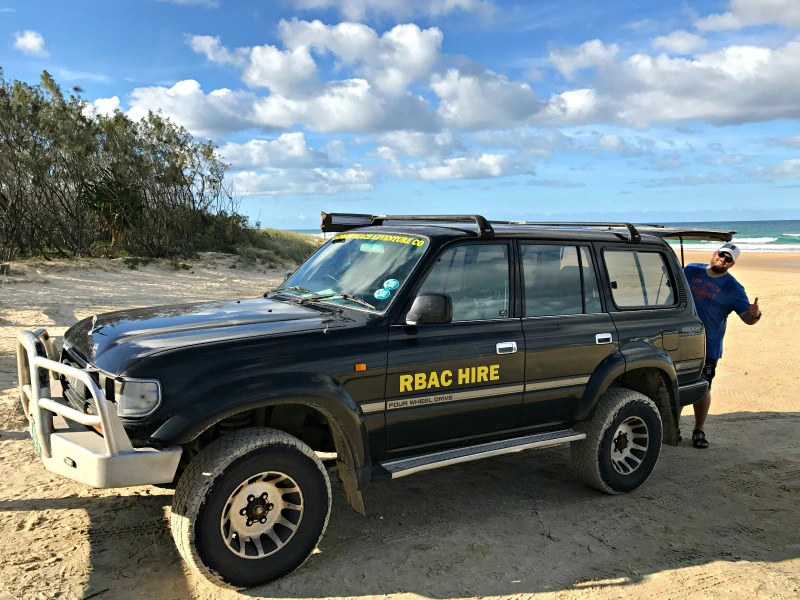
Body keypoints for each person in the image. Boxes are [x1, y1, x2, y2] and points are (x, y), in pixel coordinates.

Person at [684, 242, 762, 448]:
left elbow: (747, 318)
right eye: (722, 255)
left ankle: (698, 429)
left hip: (707, 346)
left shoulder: (734, 288)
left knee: (702, 387)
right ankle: (670, 424)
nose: (723, 260)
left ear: (732, 264)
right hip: (679, 339)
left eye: (729, 259)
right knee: (674, 383)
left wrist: (756, 315)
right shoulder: (691, 269)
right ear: (714, 253)